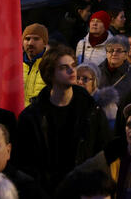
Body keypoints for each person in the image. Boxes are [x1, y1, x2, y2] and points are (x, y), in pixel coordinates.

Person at [14, 47, 111, 191]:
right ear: (50, 73)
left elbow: (102, 151)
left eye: (73, 65)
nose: (72, 71)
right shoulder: (31, 116)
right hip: (45, 191)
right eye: (64, 68)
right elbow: (23, 161)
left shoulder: (91, 111)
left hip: (83, 188)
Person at [98, 36, 131, 104]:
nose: (114, 54)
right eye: (111, 50)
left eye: (119, 51)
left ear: (126, 55)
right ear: (106, 53)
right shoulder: (96, 72)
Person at [21, 25, 48, 106]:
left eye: (36, 39)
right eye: (27, 39)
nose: (30, 43)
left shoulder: (51, 65)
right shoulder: (14, 66)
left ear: (45, 43)